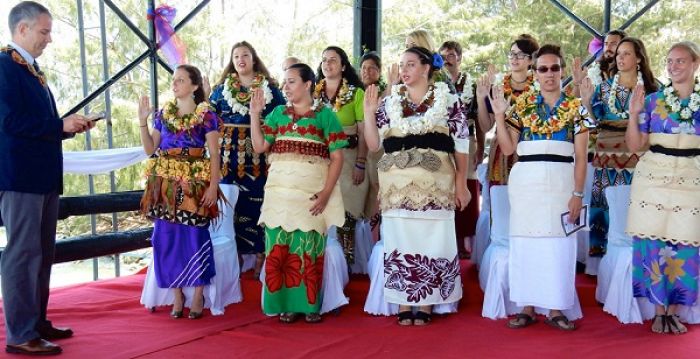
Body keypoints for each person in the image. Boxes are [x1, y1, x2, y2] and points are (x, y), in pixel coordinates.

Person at [0, 2, 92, 355]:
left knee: (41, 254)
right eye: (44, 31)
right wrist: (59, 125)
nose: (50, 39)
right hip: (20, 179)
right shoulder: (5, 66)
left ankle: (36, 321)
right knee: (22, 255)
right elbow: (9, 123)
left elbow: (37, 126)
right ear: (21, 30)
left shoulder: (30, 69)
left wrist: (66, 128)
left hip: (42, 177)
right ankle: (20, 333)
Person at [364, 46, 470, 326]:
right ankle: (402, 300)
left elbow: (461, 145)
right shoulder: (390, 102)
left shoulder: (448, 100)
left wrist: (462, 184)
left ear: (426, 68)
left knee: (432, 237)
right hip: (396, 184)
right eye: (402, 65)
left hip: (437, 182)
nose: (405, 70)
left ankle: (425, 302)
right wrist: (368, 111)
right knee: (400, 237)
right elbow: (374, 145)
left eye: (411, 64)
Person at [491, 44, 594, 331]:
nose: (549, 74)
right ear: (535, 73)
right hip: (526, 183)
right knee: (526, 244)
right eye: (543, 69)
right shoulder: (522, 106)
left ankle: (557, 307)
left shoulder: (577, 109)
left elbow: (582, 158)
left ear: (562, 72)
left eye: (554, 68)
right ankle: (525, 306)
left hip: (562, 182)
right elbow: (509, 147)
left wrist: (577, 194)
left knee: (559, 246)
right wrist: (499, 115)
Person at [250, 63, 347, 323]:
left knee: (308, 248)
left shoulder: (325, 115)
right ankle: (285, 305)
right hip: (278, 197)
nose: (286, 87)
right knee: (280, 249)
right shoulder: (278, 114)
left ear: (307, 85)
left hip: (311, 198)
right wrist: (254, 115)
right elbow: (260, 147)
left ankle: (309, 306)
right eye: (285, 82)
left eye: (292, 81)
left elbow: (337, 158)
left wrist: (326, 194)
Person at [626, 41, 700, 335]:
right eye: (670, 61)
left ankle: (675, 311)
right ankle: (658, 311)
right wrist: (633, 115)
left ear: (695, 64)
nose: (673, 67)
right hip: (654, 178)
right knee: (654, 244)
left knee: (686, 244)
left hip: (691, 177)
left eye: (680, 61)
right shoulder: (654, 101)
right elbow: (635, 145)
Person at [138, 64, 223, 320]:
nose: (175, 84)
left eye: (181, 80)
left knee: (195, 235)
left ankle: (198, 293)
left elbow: (215, 153)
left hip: (195, 183)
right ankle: (177, 294)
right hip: (165, 182)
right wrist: (142, 121)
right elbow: (150, 149)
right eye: (173, 80)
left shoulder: (206, 115)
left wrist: (213, 186)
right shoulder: (164, 114)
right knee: (165, 238)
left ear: (194, 86)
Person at [208, 41, 285, 278]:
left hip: (260, 155)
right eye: (236, 56)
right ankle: (237, 255)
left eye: (245, 55)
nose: (240, 60)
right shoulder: (220, 90)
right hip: (228, 157)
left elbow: (281, 118)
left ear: (254, 59)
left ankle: (261, 254)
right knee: (231, 204)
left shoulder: (270, 89)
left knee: (259, 203)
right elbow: (209, 120)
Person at [580, 37, 657, 259]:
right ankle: (603, 261)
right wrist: (586, 101)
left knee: (634, 209)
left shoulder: (653, 91)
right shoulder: (604, 89)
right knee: (606, 207)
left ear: (639, 58)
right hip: (606, 157)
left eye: (626, 53)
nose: (620, 58)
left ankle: (637, 258)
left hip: (639, 159)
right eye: (618, 53)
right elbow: (591, 123)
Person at [314, 46, 367, 266]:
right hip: (319, 160)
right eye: (324, 60)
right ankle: (322, 261)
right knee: (321, 209)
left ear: (343, 66)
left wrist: (361, 164)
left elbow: (364, 131)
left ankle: (346, 263)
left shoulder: (356, 93)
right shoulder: (312, 92)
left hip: (348, 158)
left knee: (347, 212)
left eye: (333, 60)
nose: (327, 64)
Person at [440, 40, 484, 259]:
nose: (447, 60)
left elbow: (477, 118)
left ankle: (467, 240)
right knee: (448, 186)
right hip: (445, 142)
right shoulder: (438, 81)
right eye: (443, 56)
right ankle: (451, 239)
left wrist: (481, 148)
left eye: (451, 55)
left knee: (468, 186)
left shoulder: (471, 84)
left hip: (468, 140)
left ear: (459, 57)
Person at [359, 51, 385, 240]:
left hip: (378, 148)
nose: (367, 72)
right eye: (363, 68)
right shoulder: (354, 93)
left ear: (379, 71)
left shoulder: (386, 92)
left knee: (378, 189)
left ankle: (376, 238)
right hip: (360, 149)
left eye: (372, 68)